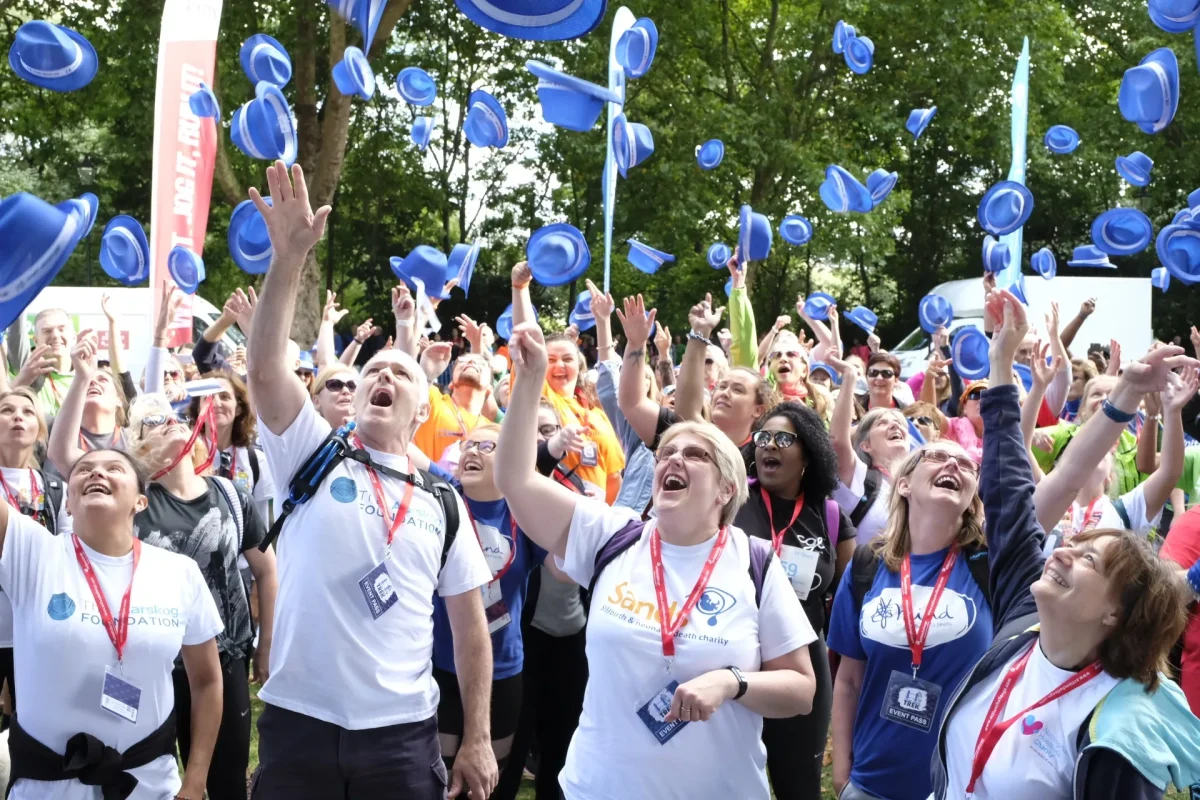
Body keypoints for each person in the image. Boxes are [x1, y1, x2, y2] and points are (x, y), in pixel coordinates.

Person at [244, 161, 496, 799]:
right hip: (300, 722)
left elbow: (469, 628)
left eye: (401, 374)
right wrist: (290, 258)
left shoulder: (443, 498)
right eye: (370, 374)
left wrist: (476, 736)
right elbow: (267, 369)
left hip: (401, 734)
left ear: (422, 406)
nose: (381, 378)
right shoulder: (312, 451)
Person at [495, 318, 817, 799]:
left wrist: (733, 683)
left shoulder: (755, 561)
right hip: (599, 789)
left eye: (695, 454)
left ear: (727, 489)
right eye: (667, 452)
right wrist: (530, 377)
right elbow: (515, 480)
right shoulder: (612, 535)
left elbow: (801, 690)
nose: (672, 460)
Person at [930, 291, 1200, 800]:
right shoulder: (1018, 621)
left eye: (1087, 559)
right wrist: (1001, 363)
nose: (1059, 552)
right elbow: (1010, 487)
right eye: (1071, 547)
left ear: (1116, 615)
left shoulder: (1120, 735)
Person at [0, 447, 224, 800]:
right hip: (46, 789)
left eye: (114, 468)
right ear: (68, 503)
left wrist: (195, 780)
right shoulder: (32, 554)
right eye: (83, 469)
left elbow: (208, 680)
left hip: (149, 787)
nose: (96, 473)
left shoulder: (178, 572)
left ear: (140, 502)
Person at [825, 386, 993, 798]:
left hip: (961, 786)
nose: (953, 463)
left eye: (965, 464)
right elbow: (848, 679)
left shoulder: (990, 568)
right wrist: (844, 770)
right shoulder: (867, 566)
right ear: (903, 485)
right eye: (936, 456)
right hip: (872, 782)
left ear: (972, 497)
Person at [736, 401, 856, 799]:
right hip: (733, 658)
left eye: (783, 439)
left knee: (799, 788)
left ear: (808, 453)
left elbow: (849, 598)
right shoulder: (729, 500)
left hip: (802, 666)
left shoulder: (832, 517)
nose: (770, 445)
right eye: (763, 437)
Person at [433, 425, 565, 786]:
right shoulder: (439, 502)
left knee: (482, 782)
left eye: (487, 446)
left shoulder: (523, 515)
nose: (472, 451)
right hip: (439, 664)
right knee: (437, 782)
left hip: (503, 670)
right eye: (468, 445)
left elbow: (565, 571)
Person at [510, 262, 624, 503]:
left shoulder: (597, 416)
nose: (559, 366)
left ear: (580, 365)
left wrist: (603, 321)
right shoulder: (540, 399)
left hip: (597, 524)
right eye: (550, 359)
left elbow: (614, 479)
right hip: (550, 512)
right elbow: (527, 339)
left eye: (567, 359)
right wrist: (521, 288)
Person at [827, 355, 912, 541]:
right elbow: (837, 441)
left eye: (899, 423)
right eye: (882, 423)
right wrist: (849, 376)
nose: (894, 426)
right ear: (865, 445)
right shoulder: (858, 477)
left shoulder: (919, 482)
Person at [47, 330, 130, 481]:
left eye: (103, 380)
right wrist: (82, 376)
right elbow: (60, 454)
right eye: (89, 381)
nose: (92, 382)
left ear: (119, 399)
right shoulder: (53, 430)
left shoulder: (134, 440)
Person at [8, 307, 76, 417]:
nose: (55, 335)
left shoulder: (87, 379)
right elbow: (17, 332)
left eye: (61, 329)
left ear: (74, 336)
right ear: (36, 340)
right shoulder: (28, 371)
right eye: (47, 331)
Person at [309, 363, 358, 429]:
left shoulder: (372, 434)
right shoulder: (308, 435)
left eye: (352, 385)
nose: (346, 391)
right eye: (335, 385)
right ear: (316, 401)